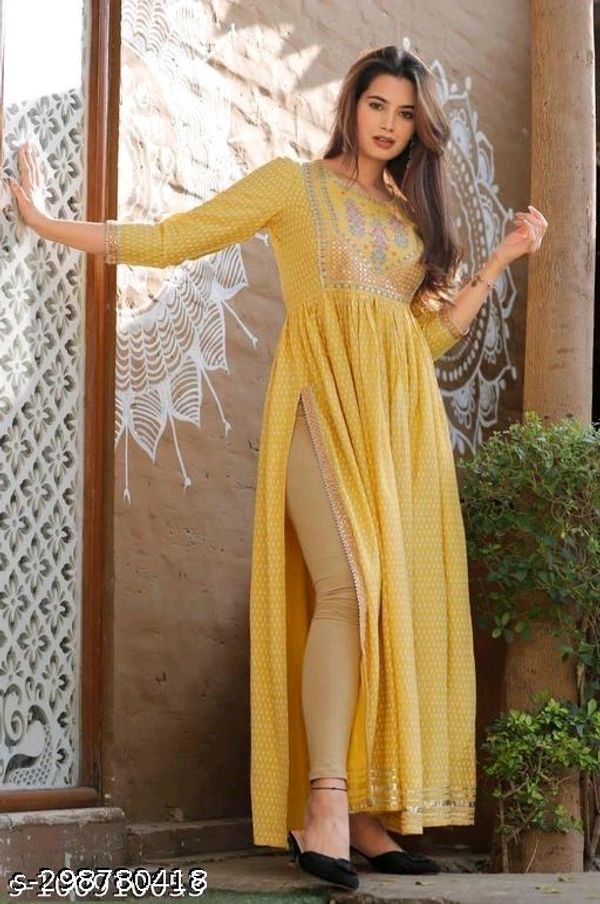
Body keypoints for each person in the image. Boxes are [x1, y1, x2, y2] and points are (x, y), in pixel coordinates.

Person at [10, 44, 546, 891]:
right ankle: (324, 803)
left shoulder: (410, 221)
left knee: (382, 610)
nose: (389, 124)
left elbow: (422, 339)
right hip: (318, 407)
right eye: (377, 104)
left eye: (406, 114)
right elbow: (174, 237)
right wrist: (45, 222)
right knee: (346, 592)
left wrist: (501, 259)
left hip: (396, 430)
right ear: (351, 104)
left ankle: (362, 815)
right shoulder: (291, 186)